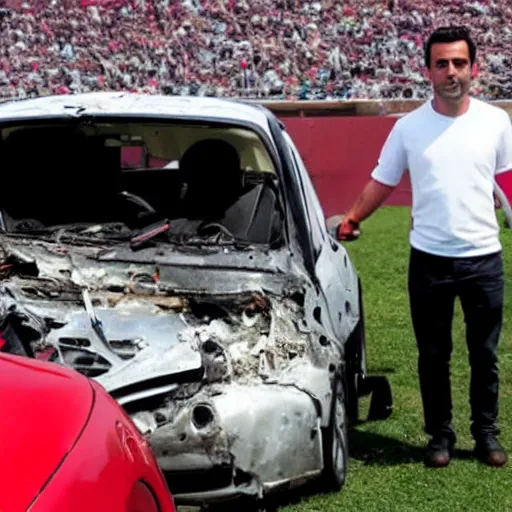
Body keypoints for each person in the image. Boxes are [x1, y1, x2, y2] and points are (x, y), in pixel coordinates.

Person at [337, 25, 512, 468]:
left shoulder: (497, 121)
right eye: (441, 64)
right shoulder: (409, 127)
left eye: (459, 63)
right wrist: (354, 217)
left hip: (483, 260)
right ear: (427, 70)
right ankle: (440, 437)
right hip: (430, 262)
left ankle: (486, 433)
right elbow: (383, 179)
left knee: (485, 355)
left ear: (474, 68)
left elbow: (507, 180)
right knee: (433, 356)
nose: (451, 72)